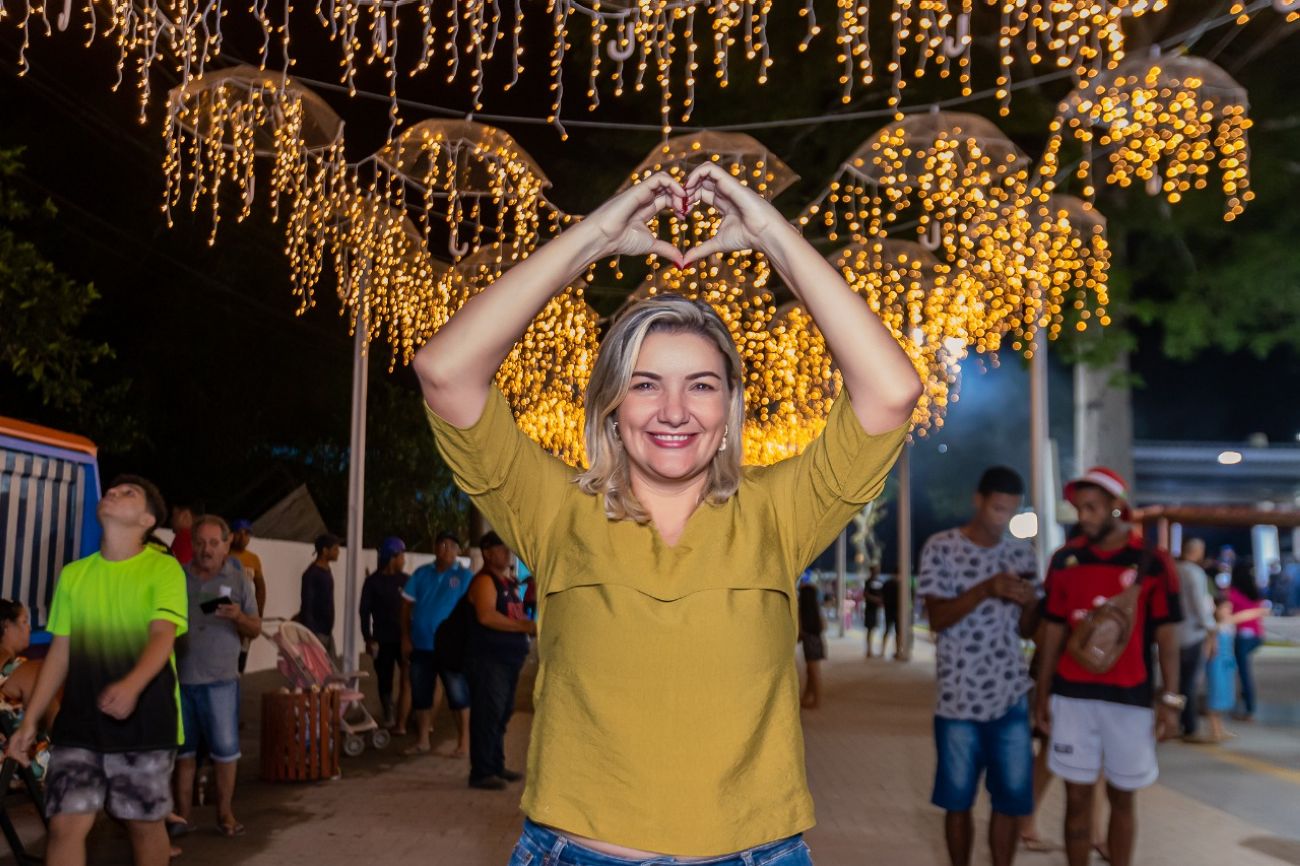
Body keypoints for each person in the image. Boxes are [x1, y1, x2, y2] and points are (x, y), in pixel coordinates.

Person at [414, 163, 919, 860]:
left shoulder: (778, 512)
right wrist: (593, 238)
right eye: (645, 384)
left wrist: (771, 234)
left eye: (701, 386)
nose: (674, 412)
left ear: (729, 407)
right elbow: (445, 371)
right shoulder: (556, 508)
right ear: (611, 407)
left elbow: (890, 392)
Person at [5, 475, 188, 866]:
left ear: (147, 520)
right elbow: (59, 655)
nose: (113, 493)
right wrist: (29, 722)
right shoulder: (74, 575)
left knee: (142, 825)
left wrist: (132, 685)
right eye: (112, 490)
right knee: (64, 826)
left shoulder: (163, 569)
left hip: (145, 725)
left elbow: (163, 636)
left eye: (128, 493)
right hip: (79, 724)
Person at [1033, 467, 1183, 866]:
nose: (1084, 516)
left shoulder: (1152, 562)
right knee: (1076, 798)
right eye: (1080, 508)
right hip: (1072, 696)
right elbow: (1052, 631)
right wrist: (1042, 693)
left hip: (1130, 700)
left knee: (1122, 797)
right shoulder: (1065, 560)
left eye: (1093, 507)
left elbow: (1168, 636)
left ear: (1117, 506)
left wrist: (1171, 699)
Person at [918, 466, 1039, 866]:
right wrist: (987, 588)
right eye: (997, 508)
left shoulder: (1020, 554)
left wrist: (1030, 603)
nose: (1002, 519)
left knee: (1010, 801)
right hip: (958, 700)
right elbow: (938, 618)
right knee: (957, 801)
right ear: (979, 501)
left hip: (1010, 696)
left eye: (1011, 511)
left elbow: (1029, 629)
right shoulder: (942, 547)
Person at [174, 515, 261, 838]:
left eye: (213, 543)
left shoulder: (238, 580)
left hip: (221, 682)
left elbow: (256, 627)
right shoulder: (177, 578)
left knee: (225, 752)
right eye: (200, 542)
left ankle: (225, 814)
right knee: (183, 754)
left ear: (226, 545)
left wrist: (238, 616)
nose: (206, 549)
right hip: (181, 680)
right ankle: (182, 817)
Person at [464, 531, 535, 789]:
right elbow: (486, 616)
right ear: (487, 552)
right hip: (489, 660)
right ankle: (482, 771)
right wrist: (523, 626)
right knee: (488, 713)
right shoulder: (485, 581)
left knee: (501, 713)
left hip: (507, 660)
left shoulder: (507, 582)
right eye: (502, 548)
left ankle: (495, 764)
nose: (507, 553)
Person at [400, 531, 474, 753]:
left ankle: (464, 743)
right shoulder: (421, 573)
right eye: (442, 544)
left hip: (451, 647)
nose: (446, 549)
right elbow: (406, 606)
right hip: (421, 644)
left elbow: (473, 610)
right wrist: (405, 637)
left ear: (458, 550)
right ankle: (423, 740)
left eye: (451, 545)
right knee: (421, 695)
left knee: (458, 695)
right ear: (434, 548)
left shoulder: (465, 577)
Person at [0, 599, 55, 780]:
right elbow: (55, 718)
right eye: (24, 621)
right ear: (7, 627)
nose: (29, 628)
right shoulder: (22, 670)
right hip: (19, 768)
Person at [360, 536, 409, 728]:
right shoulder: (373, 582)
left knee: (409, 677)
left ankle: (408, 713)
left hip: (404, 638)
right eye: (401, 556)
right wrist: (368, 638)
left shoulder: (406, 580)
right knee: (384, 678)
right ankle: (388, 712)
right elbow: (364, 612)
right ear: (392, 557)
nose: (404, 560)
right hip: (382, 639)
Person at [1174, 538, 1215, 738]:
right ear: (1198, 551)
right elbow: (1199, 605)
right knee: (1190, 682)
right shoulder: (1195, 573)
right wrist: (1211, 627)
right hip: (1193, 633)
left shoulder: (1174, 570)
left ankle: (1174, 720)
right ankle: (1189, 725)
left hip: (1173, 633)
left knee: (1175, 681)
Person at [1227, 560, 1266, 721]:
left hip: (1242, 636)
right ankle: (1244, 706)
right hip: (1256, 635)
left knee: (1242, 674)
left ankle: (1247, 709)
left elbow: (1227, 614)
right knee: (1243, 673)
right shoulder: (1254, 592)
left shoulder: (1232, 593)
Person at [229, 519, 266, 674]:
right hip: (227, 614)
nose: (244, 537)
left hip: (246, 614)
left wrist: (258, 614)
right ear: (232, 535)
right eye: (240, 533)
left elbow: (260, 587)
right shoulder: (224, 554)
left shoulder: (253, 559)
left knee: (242, 657)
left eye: (247, 534)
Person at [1202, 596, 1239, 743]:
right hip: (1216, 666)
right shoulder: (1215, 627)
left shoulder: (1227, 626)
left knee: (1223, 696)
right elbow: (1207, 650)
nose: (1228, 611)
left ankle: (1220, 728)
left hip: (1226, 665)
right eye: (1225, 608)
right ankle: (1214, 730)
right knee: (1215, 697)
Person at [298, 533, 340, 654]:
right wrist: (311, 634)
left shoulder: (326, 570)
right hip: (316, 633)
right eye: (335, 549)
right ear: (325, 551)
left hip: (327, 632)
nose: (338, 552)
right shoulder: (312, 574)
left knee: (331, 665)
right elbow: (307, 604)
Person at [797, 571, 826, 710]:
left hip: (809, 644)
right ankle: (806, 697)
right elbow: (824, 626)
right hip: (818, 641)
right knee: (811, 671)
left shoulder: (801, 612)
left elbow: (799, 631)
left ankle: (817, 701)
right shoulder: (816, 610)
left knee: (814, 673)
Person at [862, 564, 884, 658]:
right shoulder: (868, 582)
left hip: (876, 609)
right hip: (870, 609)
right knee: (870, 629)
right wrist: (876, 600)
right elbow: (866, 594)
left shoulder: (879, 581)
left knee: (873, 629)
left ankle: (870, 649)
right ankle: (869, 650)